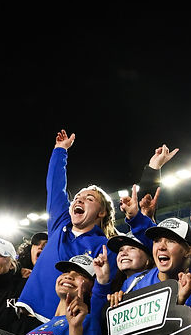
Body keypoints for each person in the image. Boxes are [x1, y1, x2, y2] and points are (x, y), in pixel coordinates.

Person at [16, 129, 131, 322]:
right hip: (25, 313)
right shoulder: (59, 224)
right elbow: (55, 187)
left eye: (89, 198)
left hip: (64, 322)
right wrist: (60, 151)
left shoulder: (105, 247)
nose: (79, 199)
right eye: (77, 197)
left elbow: (101, 290)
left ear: (101, 213)